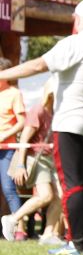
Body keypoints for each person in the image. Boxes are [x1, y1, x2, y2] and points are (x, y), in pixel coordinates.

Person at [0, 0, 83, 255]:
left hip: (70, 123)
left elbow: (37, 65)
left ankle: (75, 243)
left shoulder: (75, 43)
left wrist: (2, 75)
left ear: (79, 19)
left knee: (72, 185)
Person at [2, 77, 61, 243]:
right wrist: (20, 165)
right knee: (46, 195)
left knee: (60, 197)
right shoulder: (38, 111)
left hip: (49, 158)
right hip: (36, 158)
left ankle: (48, 234)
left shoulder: (56, 112)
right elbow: (24, 140)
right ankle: (12, 219)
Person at [0, 57, 26, 222]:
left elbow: (22, 121)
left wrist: (5, 134)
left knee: (8, 188)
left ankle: (19, 227)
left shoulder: (14, 94)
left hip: (7, 149)